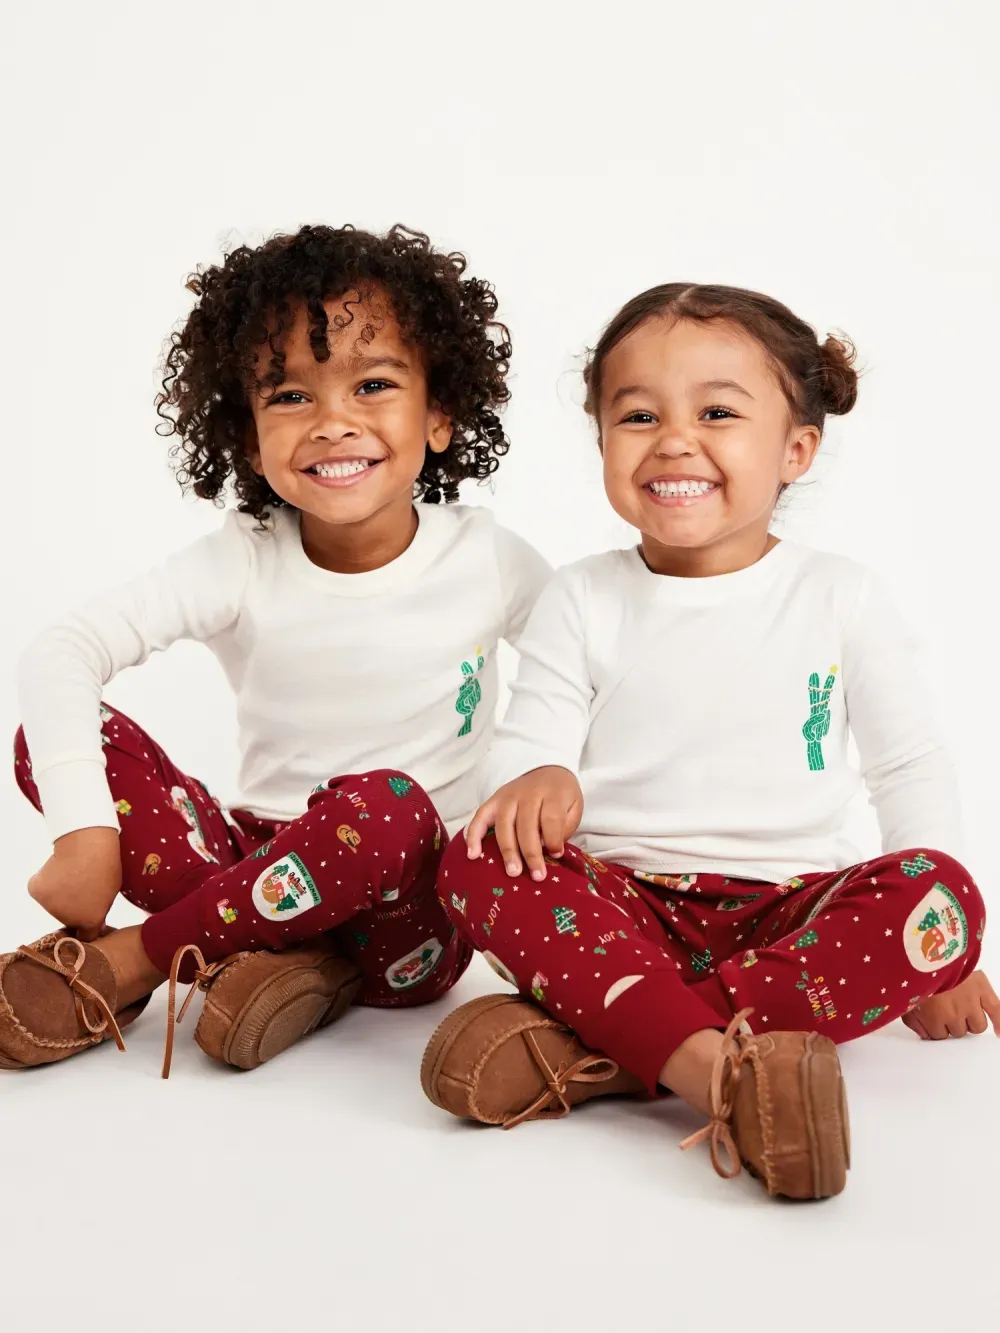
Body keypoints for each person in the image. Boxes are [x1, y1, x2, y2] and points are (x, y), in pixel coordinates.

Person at [420, 282, 995, 1200]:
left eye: (717, 413)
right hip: (621, 910)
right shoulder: (581, 595)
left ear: (796, 449)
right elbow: (528, 743)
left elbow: (909, 765)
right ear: (601, 441)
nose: (674, 440)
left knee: (945, 896)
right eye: (638, 415)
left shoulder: (840, 596)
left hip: (790, 915)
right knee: (474, 856)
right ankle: (717, 1071)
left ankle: (604, 1051)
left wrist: (947, 958)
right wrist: (537, 775)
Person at [0, 224, 549, 1077]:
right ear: (250, 440)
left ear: (440, 414)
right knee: (55, 736)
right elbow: (62, 651)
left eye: (373, 385)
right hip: (248, 865)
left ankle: (143, 956)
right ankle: (283, 967)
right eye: (291, 395)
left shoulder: (491, 559)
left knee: (389, 804)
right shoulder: (244, 556)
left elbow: (587, 680)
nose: (334, 423)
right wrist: (85, 832)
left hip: (409, 911)